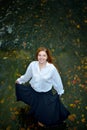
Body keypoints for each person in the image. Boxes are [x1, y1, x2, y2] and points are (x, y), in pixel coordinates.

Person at [15, 46, 70, 128]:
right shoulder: (33, 65)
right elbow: (27, 76)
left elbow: (57, 81)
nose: (41, 57)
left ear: (47, 57)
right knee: (35, 105)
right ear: (37, 56)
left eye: (44, 55)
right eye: (39, 55)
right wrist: (20, 80)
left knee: (43, 116)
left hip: (45, 94)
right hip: (33, 91)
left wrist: (60, 91)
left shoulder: (51, 69)